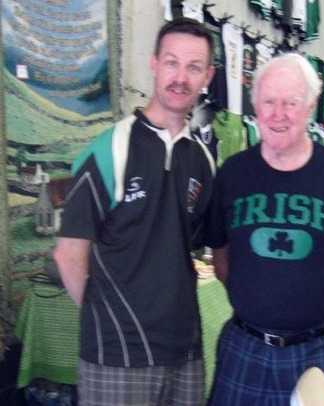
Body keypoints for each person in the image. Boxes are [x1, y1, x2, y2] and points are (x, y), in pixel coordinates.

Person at [53, 18, 216, 406]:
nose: (181, 77)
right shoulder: (110, 150)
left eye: (194, 67)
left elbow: (186, 250)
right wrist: (107, 320)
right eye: (172, 63)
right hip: (116, 359)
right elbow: (68, 254)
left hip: (185, 353)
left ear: (207, 76)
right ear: (154, 64)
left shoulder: (203, 161)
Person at [206, 53, 324, 406]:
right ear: (254, 104)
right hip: (246, 346)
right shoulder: (233, 174)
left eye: (291, 103)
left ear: (311, 107)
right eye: (268, 101)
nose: (278, 114)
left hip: (320, 349)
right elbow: (221, 258)